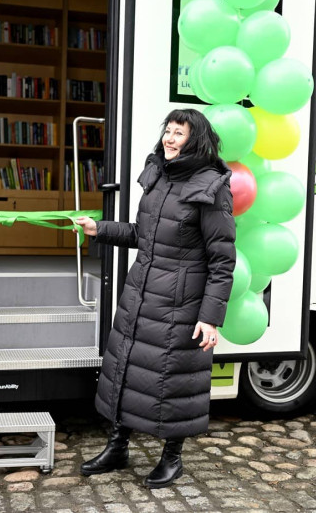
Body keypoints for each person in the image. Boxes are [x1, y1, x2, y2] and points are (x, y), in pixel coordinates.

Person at [74, 108, 236, 488]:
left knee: (174, 381)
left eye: (179, 133)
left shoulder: (211, 188)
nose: (169, 138)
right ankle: (118, 447)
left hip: (181, 303)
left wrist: (209, 317)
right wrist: (99, 228)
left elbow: (222, 260)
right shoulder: (159, 176)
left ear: (195, 140)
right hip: (141, 294)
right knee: (128, 370)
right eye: (168, 130)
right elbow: (142, 234)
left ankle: (172, 458)